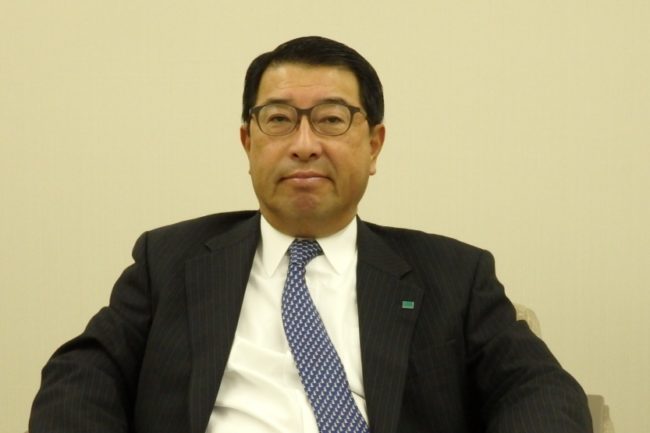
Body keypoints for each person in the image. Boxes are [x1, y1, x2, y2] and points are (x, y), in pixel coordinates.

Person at [29, 36, 592, 433]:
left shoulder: (454, 274)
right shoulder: (169, 259)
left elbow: (540, 390)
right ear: (248, 143)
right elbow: (81, 376)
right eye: (279, 119)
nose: (304, 145)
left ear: (373, 146)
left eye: (331, 119)